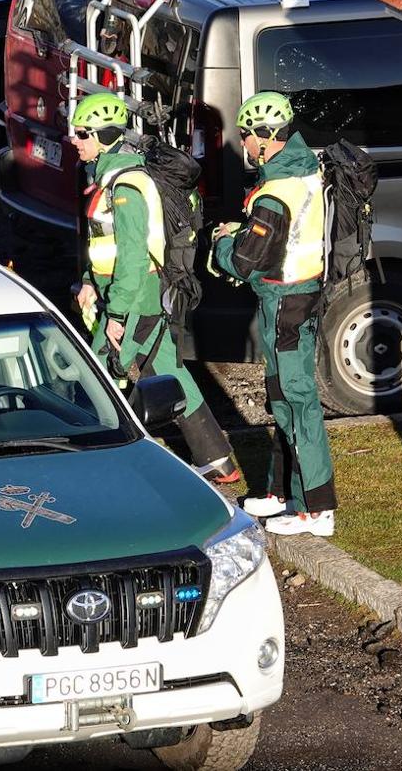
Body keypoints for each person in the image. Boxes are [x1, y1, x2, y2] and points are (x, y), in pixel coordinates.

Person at [71, 93, 240, 485]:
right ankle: (216, 459)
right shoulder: (110, 177)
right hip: (129, 292)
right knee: (167, 369)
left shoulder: (127, 186)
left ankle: (104, 467)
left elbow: (132, 257)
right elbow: (104, 246)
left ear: (106, 136)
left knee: (98, 375)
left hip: (134, 296)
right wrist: (87, 282)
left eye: (82, 133)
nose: (74, 140)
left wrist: (115, 314)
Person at [212, 92, 336, 537]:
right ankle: (282, 492)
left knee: (296, 400)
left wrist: (223, 242)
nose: (243, 143)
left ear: (266, 138)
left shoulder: (275, 193)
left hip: (286, 300)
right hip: (297, 294)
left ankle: (315, 508)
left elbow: (246, 263)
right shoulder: (303, 169)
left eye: (246, 135)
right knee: (282, 396)